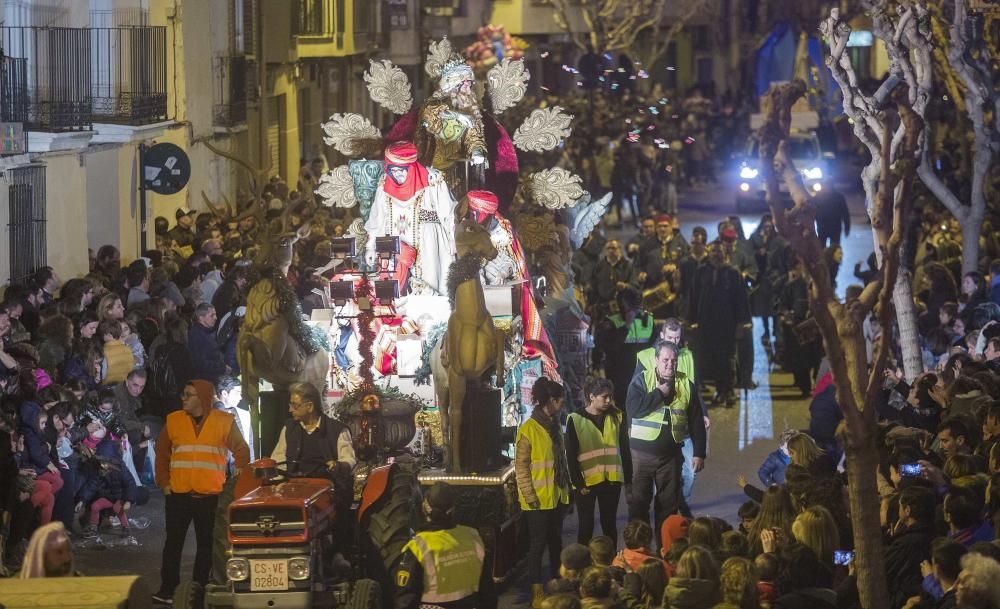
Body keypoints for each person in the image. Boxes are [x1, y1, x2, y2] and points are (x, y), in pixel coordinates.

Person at [153, 380, 250, 605]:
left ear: (203, 398)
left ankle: (199, 590)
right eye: (183, 394)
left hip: (210, 496)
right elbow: (162, 454)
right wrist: (164, 484)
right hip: (178, 495)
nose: (183, 398)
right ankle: (168, 589)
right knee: (173, 544)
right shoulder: (174, 420)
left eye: (189, 395)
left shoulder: (223, 422)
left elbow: (241, 449)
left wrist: (238, 475)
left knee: (206, 546)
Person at [626, 340, 706, 532]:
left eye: (673, 360)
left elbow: (696, 421)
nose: (670, 364)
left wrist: (699, 452)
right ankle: (639, 551)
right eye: (665, 360)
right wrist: (659, 393)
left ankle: (666, 550)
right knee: (639, 506)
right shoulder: (641, 381)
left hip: (671, 456)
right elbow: (633, 409)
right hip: (641, 456)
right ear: (656, 360)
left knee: (668, 507)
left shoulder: (686, 383)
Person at [363, 141, 456, 296]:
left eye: (403, 170)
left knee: (430, 285)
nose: (398, 175)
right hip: (396, 246)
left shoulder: (432, 180)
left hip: (428, 243)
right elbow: (377, 218)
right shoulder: (384, 184)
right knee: (397, 289)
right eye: (394, 170)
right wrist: (370, 246)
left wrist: (453, 238)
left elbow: (449, 212)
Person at [394, 481, 496, 609]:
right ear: (454, 508)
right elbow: (488, 594)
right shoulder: (472, 537)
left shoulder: (418, 548)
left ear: (426, 507)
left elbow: (406, 601)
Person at [515, 377, 571, 599]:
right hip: (536, 500)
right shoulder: (529, 429)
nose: (563, 404)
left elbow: (561, 462)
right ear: (551, 401)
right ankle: (536, 587)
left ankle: (556, 580)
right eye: (561, 401)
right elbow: (521, 466)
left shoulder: (555, 424)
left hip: (555, 497)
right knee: (537, 545)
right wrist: (529, 495)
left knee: (555, 539)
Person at [566, 377, 630, 546]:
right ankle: (583, 566)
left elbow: (625, 449)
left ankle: (610, 564)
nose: (608, 400)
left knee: (609, 524)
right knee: (586, 526)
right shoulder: (575, 419)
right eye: (604, 397)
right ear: (591, 396)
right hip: (586, 483)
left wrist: (628, 479)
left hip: (611, 480)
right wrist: (578, 484)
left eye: (610, 396)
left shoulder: (618, 417)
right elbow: (570, 456)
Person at [690, 241, 751, 407]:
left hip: (728, 324)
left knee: (728, 357)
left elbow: (741, 300)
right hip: (707, 324)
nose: (716, 254)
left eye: (720, 251)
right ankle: (719, 389)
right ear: (709, 253)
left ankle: (729, 390)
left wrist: (742, 323)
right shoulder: (701, 272)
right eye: (714, 251)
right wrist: (692, 320)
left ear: (725, 253)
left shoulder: (733, 273)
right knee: (713, 358)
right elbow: (694, 297)